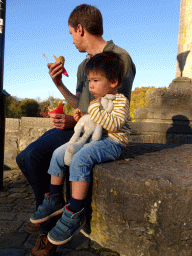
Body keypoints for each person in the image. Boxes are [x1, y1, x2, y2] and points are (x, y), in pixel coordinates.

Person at [15, 4, 136, 255]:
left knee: (35, 156)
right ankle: (51, 206)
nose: (71, 40)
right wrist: (59, 85)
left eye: (71, 33)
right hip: (80, 126)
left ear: (80, 29)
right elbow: (79, 103)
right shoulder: (83, 67)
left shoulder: (118, 58)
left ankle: (48, 229)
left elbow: (113, 110)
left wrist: (80, 120)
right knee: (24, 157)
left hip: (101, 132)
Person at [29, 51, 132, 253]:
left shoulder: (121, 101)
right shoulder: (96, 102)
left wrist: (92, 111)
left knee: (80, 160)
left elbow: (113, 123)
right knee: (60, 152)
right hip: (96, 138)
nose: (90, 85)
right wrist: (81, 116)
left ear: (113, 81)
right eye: (89, 80)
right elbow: (93, 120)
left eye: (95, 80)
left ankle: (75, 211)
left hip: (113, 142)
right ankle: (54, 198)